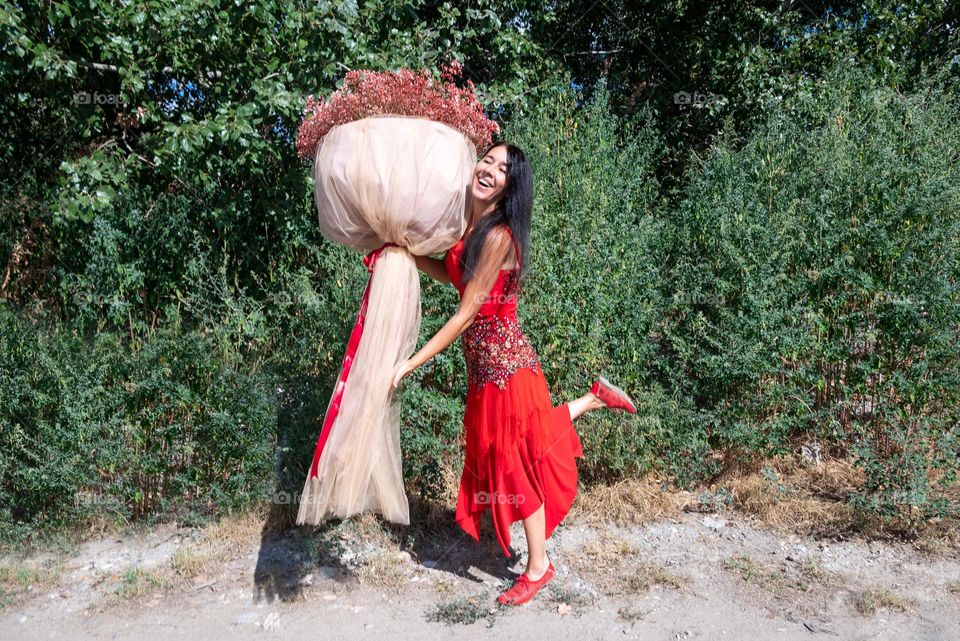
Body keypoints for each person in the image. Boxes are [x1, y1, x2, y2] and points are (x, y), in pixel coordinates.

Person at [390, 141, 637, 606]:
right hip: (485, 373)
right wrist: (401, 255)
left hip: (509, 371)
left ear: (509, 186)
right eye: (486, 159)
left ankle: (538, 567)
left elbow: (465, 313)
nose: (488, 168)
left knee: (516, 464)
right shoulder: (473, 226)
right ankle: (593, 398)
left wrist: (410, 362)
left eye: (502, 168)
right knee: (522, 448)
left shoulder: (501, 235)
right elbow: (452, 275)